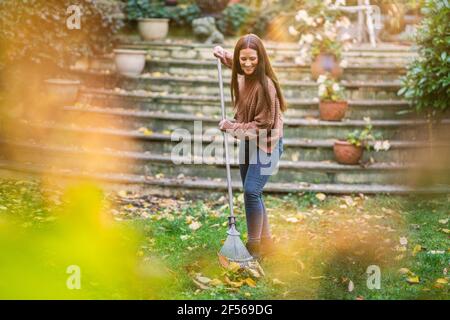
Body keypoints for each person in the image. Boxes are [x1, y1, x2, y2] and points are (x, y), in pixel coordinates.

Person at [213, 34, 287, 259]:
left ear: (261, 58)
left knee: (252, 191)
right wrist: (223, 54)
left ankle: (254, 247)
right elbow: (234, 63)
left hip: (266, 144)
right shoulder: (243, 70)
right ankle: (268, 244)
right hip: (248, 143)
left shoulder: (266, 87)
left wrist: (231, 126)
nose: (247, 64)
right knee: (253, 194)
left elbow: (261, 127)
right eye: (242, 59)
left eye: (252, 59)